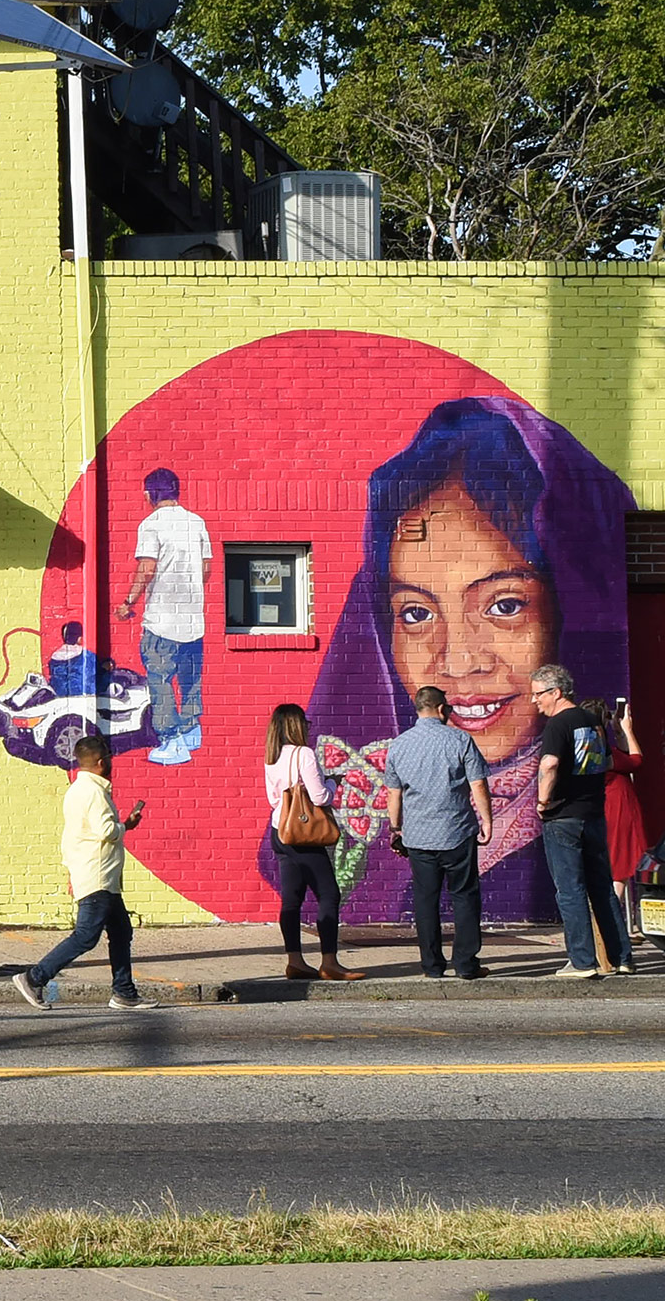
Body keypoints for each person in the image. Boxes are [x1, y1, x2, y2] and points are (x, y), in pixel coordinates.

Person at [307, 396, 635, 928]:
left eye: (505, 605)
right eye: (415, 613)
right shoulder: (362, 790)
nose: (457, 661)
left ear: (569, 606)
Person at [16, 732, 144, 1010]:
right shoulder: (94, 792)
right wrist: (127, 826)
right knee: (85, 936)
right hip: (97, 876)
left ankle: (124, 992)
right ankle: (34, 978)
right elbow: (106, 831)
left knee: (121, 932)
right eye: (108, 758)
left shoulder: (78, 789)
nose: (111, 762)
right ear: (100, 762)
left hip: (103, 877)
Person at [381, 685, 493, 980]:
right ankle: (466, 965)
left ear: (419, 709)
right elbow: (478, 784)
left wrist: (396, 828)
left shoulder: (400, 745)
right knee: (465, 897)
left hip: (418, 837)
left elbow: (394, 793)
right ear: (442, 709)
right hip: (457, 832)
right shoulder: (460, 739)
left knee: (426, 900)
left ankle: (432, 966)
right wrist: (487, 820)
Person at [531, 663, 632, 981]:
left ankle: (582, 961)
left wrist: (543, 800)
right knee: (602, 887)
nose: (535, 701)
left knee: (570, 890)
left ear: (555, 692)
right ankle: (622, 957)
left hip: (563, 817)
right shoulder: (592, 720)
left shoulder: (559, 724)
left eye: (538, 695)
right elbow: (603, 762)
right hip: (593, 814)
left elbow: (549, 764)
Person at [119, 469, 210, 766]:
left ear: (152, 493)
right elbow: (206, 568)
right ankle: (192, 732)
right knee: (190, 680)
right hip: (193, 619)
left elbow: (146, 568)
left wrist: (128, 602)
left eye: (146, 492)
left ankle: (171, 741)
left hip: (162, 620)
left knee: (160, 680)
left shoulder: (151, 525)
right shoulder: (197, 522)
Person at [264, 702, 357, 982]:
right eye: (305, 722)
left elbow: (273, 798)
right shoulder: (303, 754)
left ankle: (295, 961)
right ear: (296, 725)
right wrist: (334, 783)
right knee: (329, 895)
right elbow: (319, 798)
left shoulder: (271, 755)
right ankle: (330, 962)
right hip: (304, 834)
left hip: (280, 831)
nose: (308, 727)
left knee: (291, 900)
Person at [600, 699, 650, 949]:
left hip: (607, 808)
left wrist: (618, 732)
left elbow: (624, 756)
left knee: (617, 863)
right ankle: (611, 929)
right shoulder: (603, 752)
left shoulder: (594, 749)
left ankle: (618, 926)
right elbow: (636, 761)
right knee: (621, 864)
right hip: (619, 809)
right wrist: (628, 730)